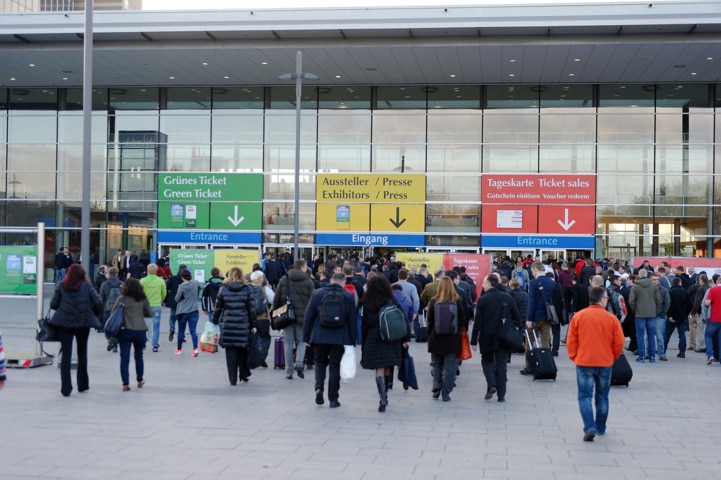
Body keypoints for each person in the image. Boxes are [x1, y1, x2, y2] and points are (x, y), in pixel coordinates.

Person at [566, 287, 625, 442]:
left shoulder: (579, 316)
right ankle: (600, 427)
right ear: (601, 299)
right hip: (605, 362)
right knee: (602, 397)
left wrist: (574, 356)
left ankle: (589, 426)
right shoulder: (611, 318)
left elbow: (571, 340)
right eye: (606, 298)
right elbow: (619, 341)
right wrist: (612, 356)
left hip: (584, 361)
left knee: (584, 396)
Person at [48, 264, 103, 397]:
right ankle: (82, 384)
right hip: (83, 323)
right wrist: (93, 313)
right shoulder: (87, 286)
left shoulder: (61, 285)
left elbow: (53, 304)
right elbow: (98, 302)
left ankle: (66, 388)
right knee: (82, 353)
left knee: (65, 355)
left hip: (64, 324)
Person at [303, 272, 356, 408]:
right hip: (339, 337)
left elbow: (308, 316)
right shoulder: (347, 296)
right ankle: (333, 399)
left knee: (319, 362)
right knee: (335, 366)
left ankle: (319, 388)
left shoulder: (317, 294)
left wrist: (306, 337)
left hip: (319, 335)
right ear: (343, 282)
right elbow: (352, 320)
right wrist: (352, 340)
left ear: (331, 280)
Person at [360, 275, 409, 412]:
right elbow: (402, 318)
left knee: (379, 368)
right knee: (388, 365)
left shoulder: (367, 302)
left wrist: (363, 343)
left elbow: (365, 325)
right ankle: (385, 394)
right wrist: (406, 339)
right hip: (390, 336)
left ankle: (382, 398)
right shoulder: (391, 300)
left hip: (373, 336)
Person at [471, 274, 520, 402]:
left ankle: (492, 384)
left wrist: (474, 340)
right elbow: (517, 317)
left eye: (484, 283)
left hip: (487, 335)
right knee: (501, 363)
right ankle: (501, 395)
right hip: (504, 335)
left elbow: (478, 322)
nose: (482, 285)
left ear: (490, 284)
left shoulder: (483, 299)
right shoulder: (508, 298)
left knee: (486, 360)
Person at [212, 267, 258, 385]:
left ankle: (232, 379)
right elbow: (252, 309)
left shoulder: (223, 289)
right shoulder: (248, 289)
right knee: (243, 351)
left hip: (228, 325)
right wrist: (254, 325)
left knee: (230, 353)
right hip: (243, 324)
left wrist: (214, 321)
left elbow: (217, 308)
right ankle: (243, 374)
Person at [272, 259, 315, 380]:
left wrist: (276, 312)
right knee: (301, 341)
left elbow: (276, 299)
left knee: (289, 343)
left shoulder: (284, 280)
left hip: (286, 317)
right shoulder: (308, 282)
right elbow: (313, 301)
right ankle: (299, 363)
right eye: (306, 266)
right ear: (302, 267)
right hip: (303, 317)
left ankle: (289, 371)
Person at [110, 278, 151, 391]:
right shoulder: (142, 299)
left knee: (124, 357)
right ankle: (139, 380)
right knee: (139, 355)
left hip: (125, 331)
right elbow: (149, 313)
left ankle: (125, 383)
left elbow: (113, 312)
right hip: (140, 330)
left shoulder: (121, 298)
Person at [629, 269, 659, 363]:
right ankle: (652, 357)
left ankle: (641, 357)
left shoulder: (635, 286)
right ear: (647, 275)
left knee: (640, 335)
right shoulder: (654, 286)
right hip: (651, 314)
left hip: (639, 314)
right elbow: (658, 300)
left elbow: (631, 301)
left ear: (639, 275)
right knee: (651, 336)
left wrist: (634, 310)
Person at [139, 263, 167, 353]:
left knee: (143, 325)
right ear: (156, 271)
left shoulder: (142, 281)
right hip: (156, 305)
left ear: (147, 270)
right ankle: (155, 345)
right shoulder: (161, 281)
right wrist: (160, 300)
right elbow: (164, 293)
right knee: (156, 326)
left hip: (145, 306)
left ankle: (143, 343)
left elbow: (139, 293)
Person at [174, 269, 202, 356]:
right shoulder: (195, 283)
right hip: (194, 310)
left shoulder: (181, 286)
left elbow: (176, 299)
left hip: (183, 311)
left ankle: (179, 349)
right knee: (193, 330)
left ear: (182, 277)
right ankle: (195, 349)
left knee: (181, 331)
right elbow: (202, 287)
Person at [249, 270, 273, 368]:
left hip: (251, 317)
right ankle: (262, 357)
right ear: (259, 279)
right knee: (266, 337)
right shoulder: (265, 289)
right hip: (263, 317)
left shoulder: (247, 288)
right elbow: (273, 299)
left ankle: (251, 360)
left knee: (253, 339)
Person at [665, 276, 691, 358]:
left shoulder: (670, 291)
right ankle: (682, 351)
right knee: (682, 334)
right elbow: (690, 305)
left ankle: (663, 350)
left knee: (667, 334)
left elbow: (669, 305)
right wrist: (685, 313)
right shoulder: (685, 292)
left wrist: (669, 315)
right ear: (680, 283)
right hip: (682, 316)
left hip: (672, 317)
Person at [99, 266, 124, 351]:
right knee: (118, 325)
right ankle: (116, 343)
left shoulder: (105, 284)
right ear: (117, 274)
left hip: (108, 307)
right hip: (119, 308)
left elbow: (101, 297)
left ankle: (111, 340)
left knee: (109, 326)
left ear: (109, 274)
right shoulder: (121, 283)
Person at [165, 264, 186, 342]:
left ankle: (172, 329)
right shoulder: (185, 280)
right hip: (183, 302)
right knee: (182, 319)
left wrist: (167, 298)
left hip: (173, 301)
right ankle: (182, 335)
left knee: (172, 318)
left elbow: (167, 288)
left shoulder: (173, 278)